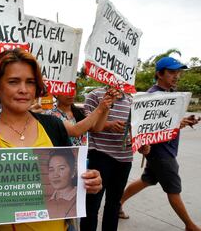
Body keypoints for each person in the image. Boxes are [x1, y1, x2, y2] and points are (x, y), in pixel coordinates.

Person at [0, 48, 116, 231]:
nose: (23, 90)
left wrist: (90, 180)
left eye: (30, 82)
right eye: (13, 82)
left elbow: (73, 175)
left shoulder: (54, 126)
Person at [120, 56, 201, 231]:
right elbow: (141, 126)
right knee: (173, 190)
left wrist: (185, 121)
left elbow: (169, 123)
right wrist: (143, 146)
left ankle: (118, 203)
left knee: (146, 180)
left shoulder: (170, 94)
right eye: (172, 72)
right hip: (161, 153)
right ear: (160, 74)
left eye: (178, 72)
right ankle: (190, 225)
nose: (177, 76)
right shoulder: (151, 96)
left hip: (166, 149)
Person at [80, 87, 133, 231]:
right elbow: (88, 124)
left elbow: (135, 128)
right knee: (91, 204)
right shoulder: (94, 95)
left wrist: (142, 144)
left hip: (125, 158)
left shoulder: (131, 99)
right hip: (100, 155)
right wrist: (109, 124)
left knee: (114, 204)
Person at [46, 149, 77, 219]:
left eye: (61, 168)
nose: (55, 175)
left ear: (73, 172)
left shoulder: (79, 198)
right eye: (51, 170)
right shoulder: (49, 202)